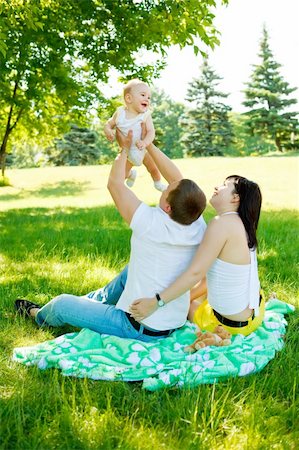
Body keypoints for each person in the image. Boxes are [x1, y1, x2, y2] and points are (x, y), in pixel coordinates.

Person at [15, 133, 207, 342]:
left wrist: (124, 149)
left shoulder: (149, 222)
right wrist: (148, 144)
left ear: (168, 207)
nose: (168, 183)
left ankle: (38, 315)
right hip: (171, 321)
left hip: (136, 325)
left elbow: (115, 184)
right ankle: (93, 303)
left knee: (62, 304)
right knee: (128, 273)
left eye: (168, 188)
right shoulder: (196, 221)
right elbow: (178, 181)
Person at [128, 175, 265, 337]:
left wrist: (156, 302)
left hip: (231, 327)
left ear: (235, 198)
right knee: (196, 294)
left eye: (223, 185)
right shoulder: (242, 223)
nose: (216, 187)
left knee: (186, 306)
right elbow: (178, 179)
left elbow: (196, 273)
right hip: (255, 312)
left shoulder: (221, 223)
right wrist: (149, 148)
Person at [104, 78, 166, 191]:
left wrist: (145, 142)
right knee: (123, 175)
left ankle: (158, 183)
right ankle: (132, 174)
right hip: (128, 154)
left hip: (144, 150)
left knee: (153, 169)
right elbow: (109, 123)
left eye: (149, 97)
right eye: (143, 95)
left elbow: (151, 131)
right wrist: (108, 129)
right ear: (128, 98)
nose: (147, 99)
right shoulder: (120, 113)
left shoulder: (145, 115)